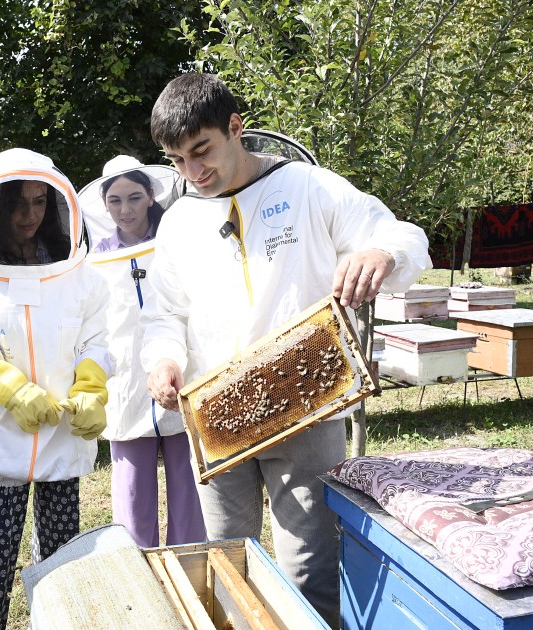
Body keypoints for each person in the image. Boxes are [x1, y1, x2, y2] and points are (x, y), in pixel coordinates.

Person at [141, 74, 431, 625]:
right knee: (226, 563)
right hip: (216, 415)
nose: (192, 172)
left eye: (201, 151)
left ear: (235, 127)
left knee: (310, 566)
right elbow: (164, 314)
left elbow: (400, 235)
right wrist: (164, 361)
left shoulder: (308, 187)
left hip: (307, 409)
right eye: (177, 160)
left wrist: (382, 256)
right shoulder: (178, 222)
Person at [0, 148, 111, 630]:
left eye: (40, 202)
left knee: (61, 559)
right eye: (18, 204)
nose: (30, 216)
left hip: (60, 434)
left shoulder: (78, 277)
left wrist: (91, 386)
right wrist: (7, 387)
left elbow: (97, 339)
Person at [78, 156, 206, 548]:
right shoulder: (94, 259)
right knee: (132, 498)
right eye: (115, 201)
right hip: (127, 386)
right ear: (104, 205)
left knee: (192, 491)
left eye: (134, 197)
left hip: (181, 375)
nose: (125, 209)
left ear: (152, 195)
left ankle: (190, 567)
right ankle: (143, 577)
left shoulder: (178, 243)